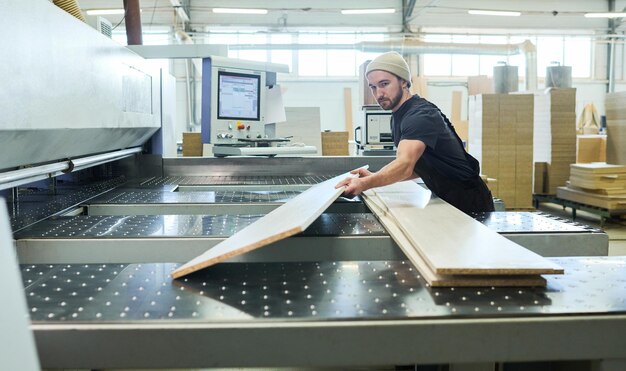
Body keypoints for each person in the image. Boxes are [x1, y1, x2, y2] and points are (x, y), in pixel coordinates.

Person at [335, 51, 494, 215]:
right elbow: (418, 167)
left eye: (384, 84)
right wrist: (375, 176)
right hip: (446, 200)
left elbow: (404, 165)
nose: (378, 94)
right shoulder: (399, 115)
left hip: (470, 204)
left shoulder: (420, 115)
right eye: (373, 87)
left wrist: (366, 183)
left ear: (403, 81)